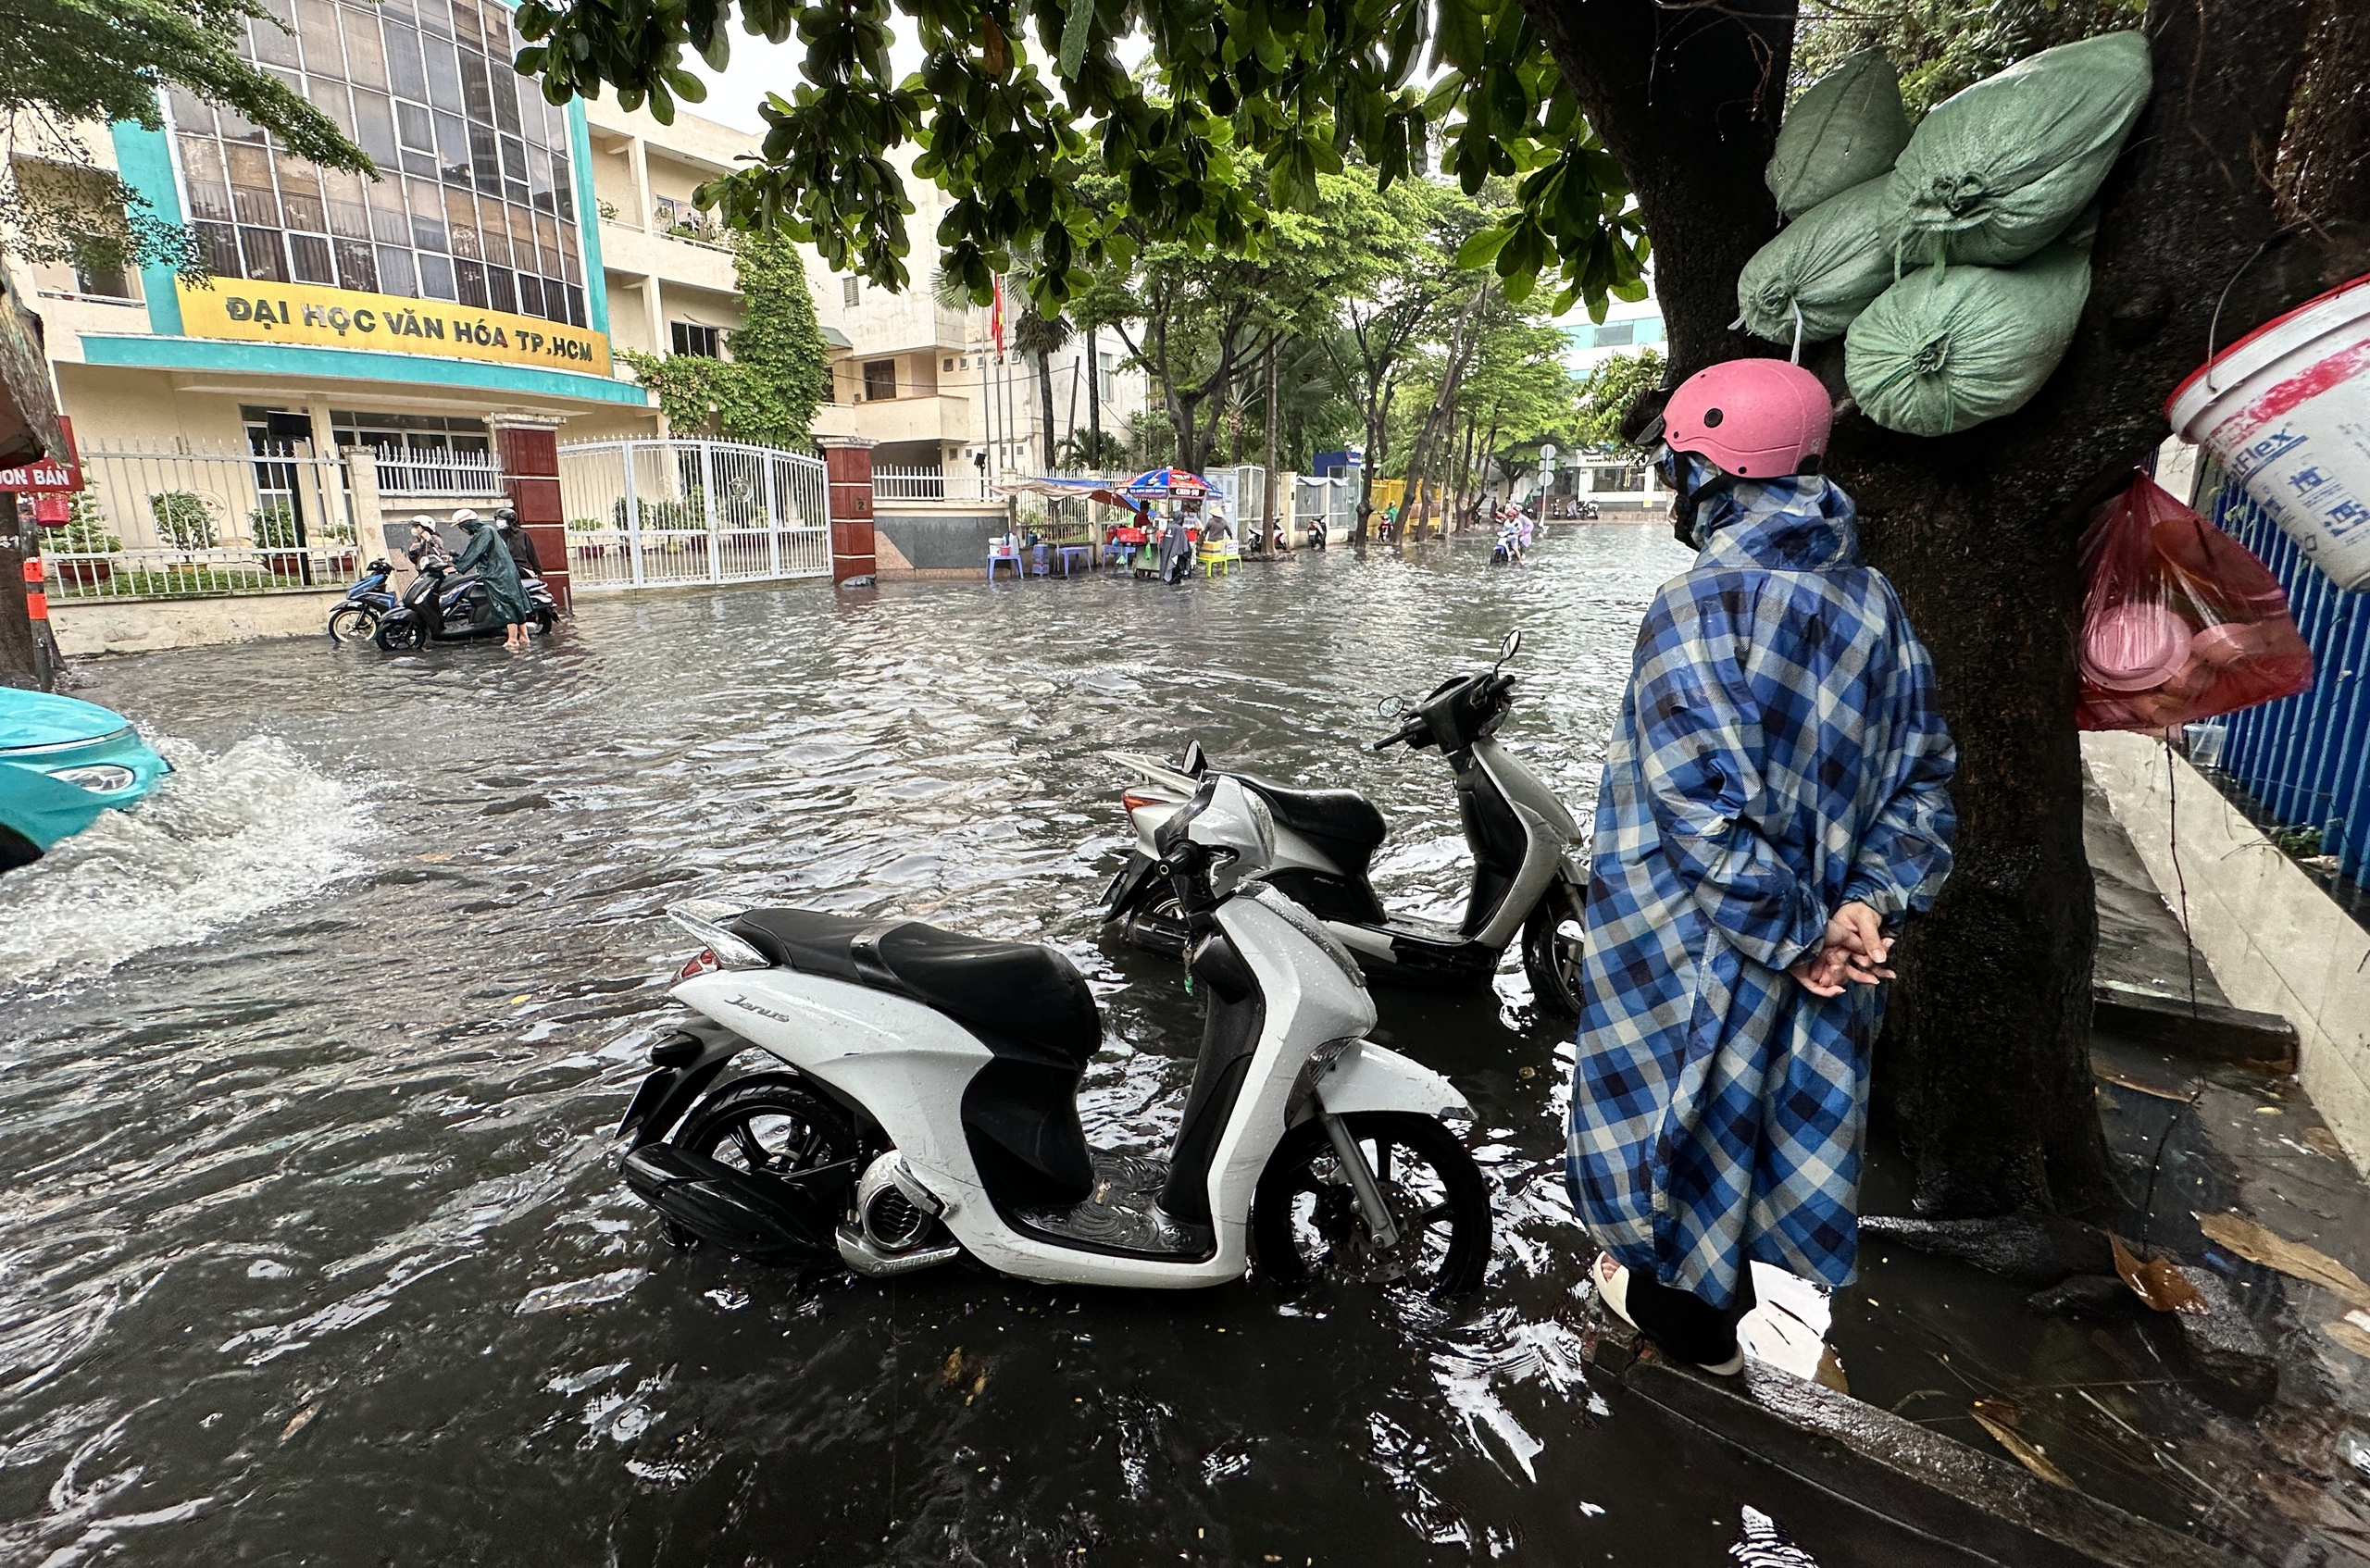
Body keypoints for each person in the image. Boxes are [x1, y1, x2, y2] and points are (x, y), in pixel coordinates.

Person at [1566, 358, 1958, 1375]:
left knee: (1674, 1161)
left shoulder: (1694, 605)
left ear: (1715, 470)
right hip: (1825, 956)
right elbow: (1923, 787)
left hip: (1703, 954)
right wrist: (1869, 904)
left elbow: (1695, 812)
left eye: (1681, 464)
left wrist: (1796, 934)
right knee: (1759, 1154)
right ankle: (1704, 1336)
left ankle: (1695, 1370)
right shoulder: (1878, 606)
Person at [451, 507, 535, 650]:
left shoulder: (484, 532)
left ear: (467, 524)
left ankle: (513, 640)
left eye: (461, 527)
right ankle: (524, 637)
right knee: (515, 603)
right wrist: (456, 560)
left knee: (506, 606)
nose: (462, 530)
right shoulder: (488, 531)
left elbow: (475, 552)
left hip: (497, 574)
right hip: (505, 572)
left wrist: (458, 567)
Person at [493, 505, 544, 580]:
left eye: (501, 519)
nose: (499, 521)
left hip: (521, 571)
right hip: (502, 571)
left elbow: (532, 554)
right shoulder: (496, 535)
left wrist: (538, 572)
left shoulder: (522, 535)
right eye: (497, 519)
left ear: (509, 520)